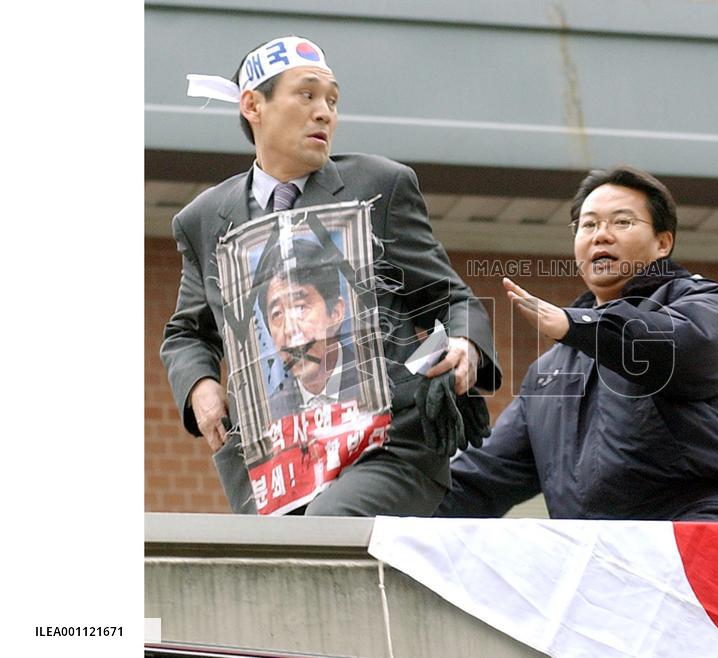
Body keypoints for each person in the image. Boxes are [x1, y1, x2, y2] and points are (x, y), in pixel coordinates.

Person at [161, 36, 500, 516]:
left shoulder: (380, 186)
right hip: (276, 465)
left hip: (385, 450)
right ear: (252, 105)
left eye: (332, 100)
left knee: (326, 526)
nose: (325, 112)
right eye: (307, 95)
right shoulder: (204, 220)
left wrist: (465, 344)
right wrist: (199, 384)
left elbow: (451, 298)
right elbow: (186, 333)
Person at [437, 166, 718, 521]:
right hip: (601, 554)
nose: (601, 236)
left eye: (622, 222)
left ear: (663, 242)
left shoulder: (700, 300)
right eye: (589, 224)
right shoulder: (550, 372)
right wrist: (387, 492)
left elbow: (681, 344)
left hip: (699, 529)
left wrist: (576, 324)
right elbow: (478, 478)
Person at [253, 238, 359, 418]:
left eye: (300, 307)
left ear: (335, 313)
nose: (289, 329)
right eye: (277, 314)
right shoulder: (269, 415)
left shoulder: (376, 381)